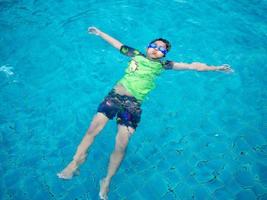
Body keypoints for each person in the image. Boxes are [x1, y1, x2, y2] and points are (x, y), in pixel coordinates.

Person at [57, 26, 233, 200]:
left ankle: (107, 180)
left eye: (161, 49)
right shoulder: (135, 54)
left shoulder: (165, 65)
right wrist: (100, 33)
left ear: (164, 54)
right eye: (154, 46)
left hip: (133, 106)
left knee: (121, 144)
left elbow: (193, 66)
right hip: (115, 97)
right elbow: (117, 44)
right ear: (147, 46)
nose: (156, 50)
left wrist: (216, 68)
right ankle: (75, 163)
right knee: (92, 130)